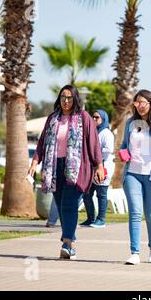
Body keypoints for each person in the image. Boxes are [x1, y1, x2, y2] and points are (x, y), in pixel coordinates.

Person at [28, 85, 104, 260]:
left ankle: (67, 242)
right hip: (54, 167)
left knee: (69, 204)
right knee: (61, 206)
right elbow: (42, 143)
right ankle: (72, 244)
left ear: (75, 99)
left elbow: (93, 143)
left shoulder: (83, 118)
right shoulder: (53, 118)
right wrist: (34, 162)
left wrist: (99, 165)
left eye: (69, 97)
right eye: (63, 97)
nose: (66, 101)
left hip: (77, 168)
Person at [119, 89, 151, 265]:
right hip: (132, 173)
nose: (140, 106)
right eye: (137, 103)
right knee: (135, 213)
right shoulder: (130, 123)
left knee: (150, 215)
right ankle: (134, 253)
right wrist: (122, 152)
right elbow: (124, 144)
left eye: (143, 103)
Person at [80, 109, 115, 228]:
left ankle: (101, 219)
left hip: (103, 166)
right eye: (93, 117)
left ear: (103, 119)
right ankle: (90, 218)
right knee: (87, 194)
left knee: (101, 193)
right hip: (91, 167)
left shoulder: (106, 133)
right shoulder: (92, 131)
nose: (94, 119)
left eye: (97, 117)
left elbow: (109, 150)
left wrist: (95, 152)